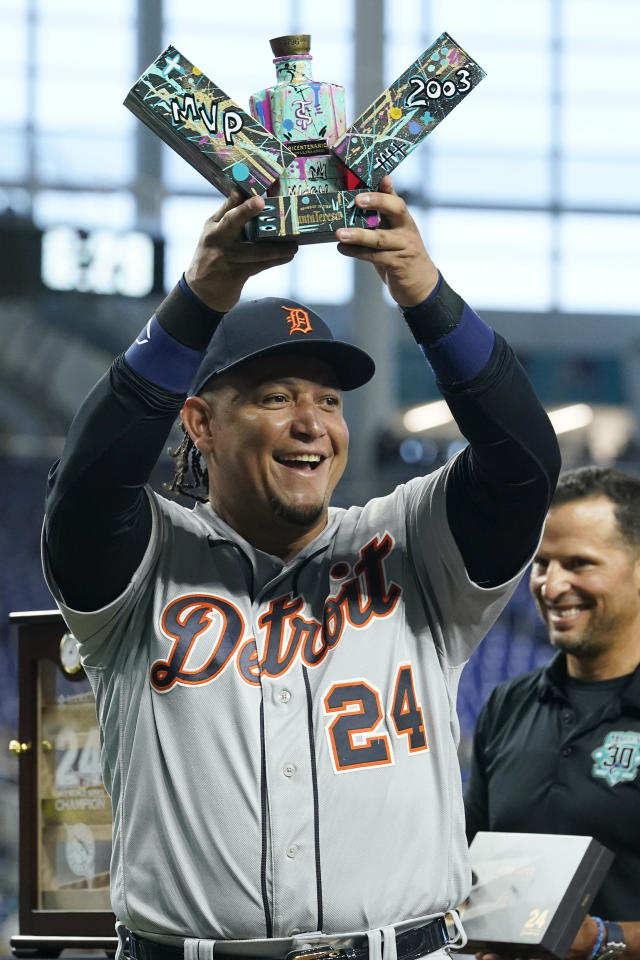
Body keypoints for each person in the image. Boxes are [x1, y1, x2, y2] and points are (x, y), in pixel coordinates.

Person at [42, 176, 559, 960]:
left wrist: (423, 291)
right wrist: (201, 293)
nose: (312, 423)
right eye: (276, 396)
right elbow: (86, 486)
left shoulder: (412, 542)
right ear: (200, 423)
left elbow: (524, 464)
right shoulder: (142, 557)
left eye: (329, 400)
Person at [465, 465, 640, 960]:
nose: (551, 585)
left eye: (580, 563)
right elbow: (469, 877)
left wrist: (605, 942)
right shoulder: (507, 705)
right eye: (542, 564)